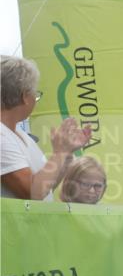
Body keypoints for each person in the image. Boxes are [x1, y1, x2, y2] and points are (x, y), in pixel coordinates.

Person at [1, 55, 92, 201]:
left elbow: (45, 187)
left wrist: (66, 152)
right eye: (35, 94)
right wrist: (60, 153)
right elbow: (32, 192)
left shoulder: (19, 135)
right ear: (25, 96)